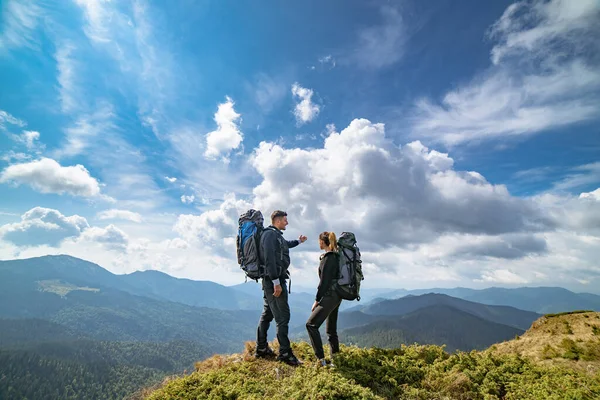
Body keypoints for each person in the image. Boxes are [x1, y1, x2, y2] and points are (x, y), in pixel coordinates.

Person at [255, 210, 307, 366]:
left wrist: (299, 241)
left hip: (270, 281)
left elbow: (285, 245)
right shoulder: (270, 235)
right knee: (283, 317)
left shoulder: (275, 235)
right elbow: (269, 259)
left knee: (268, 314)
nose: (287, 222)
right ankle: (285, 353)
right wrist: (276, 282)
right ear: (277, 220)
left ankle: (261, 347)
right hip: (273, 282)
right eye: (285, 220)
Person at [306, 231, 342, 367]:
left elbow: (324, 283)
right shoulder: (337, 256)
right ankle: (336, 359)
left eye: (319, 241)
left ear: (322, 242)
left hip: (329, 296)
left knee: (311, 324)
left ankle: (321, 360)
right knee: (331, 329)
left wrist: (317, 300)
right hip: (337, 295)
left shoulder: (328, 258)